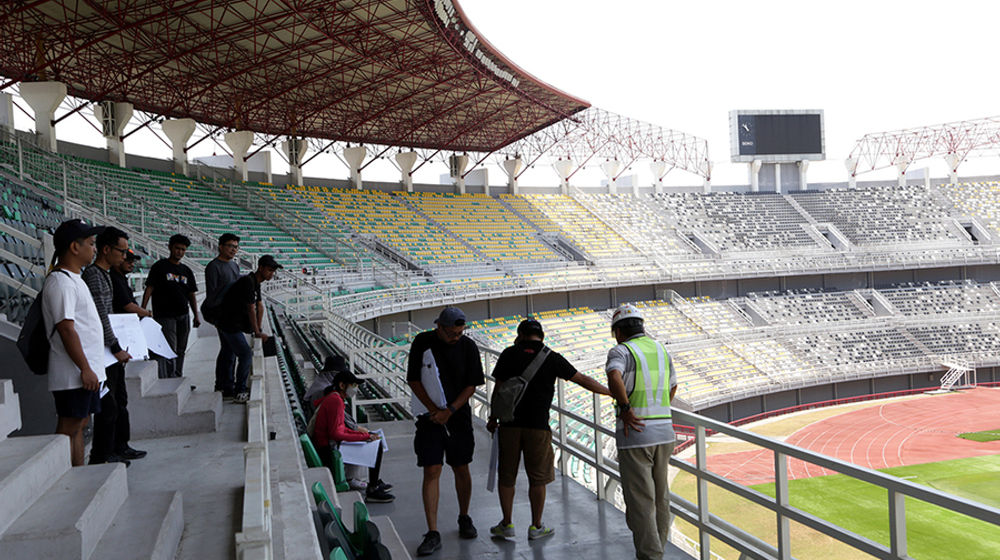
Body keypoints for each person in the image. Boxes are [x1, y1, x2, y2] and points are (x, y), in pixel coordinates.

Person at [486, 319, 610, 541]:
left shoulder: (508, 354)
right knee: (538, 478)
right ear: (541, 336)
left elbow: (499, 389)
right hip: (538, 427)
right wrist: (610, 392)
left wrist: (493, 418)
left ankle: (506, 523)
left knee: (507, 476)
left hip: (508, 425)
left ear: (520, 335)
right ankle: (536, 526)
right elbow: (582, 379)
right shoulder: (551, 357)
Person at [407, 306, 484, 557]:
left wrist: (449, 411)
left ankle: (464, 516)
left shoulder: (468, 346)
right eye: (451, 333)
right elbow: (413, 379)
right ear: (438, 327)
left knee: (461, 467)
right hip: (429, 418)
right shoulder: (422, 342)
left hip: (458, 417)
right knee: (431, 469)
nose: (456, 337)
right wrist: (434, 410)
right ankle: (432, 531)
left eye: (460, 333)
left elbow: (472, 385)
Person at [605, 304, 677, 560]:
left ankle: (650, 555)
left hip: (636, 435)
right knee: (661, 496)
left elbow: (614, 376)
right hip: (665, 433)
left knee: (640, 500)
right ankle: (659, 547)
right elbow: (673, 386)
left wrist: (626, 408)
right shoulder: (660, 350)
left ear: (618, 332)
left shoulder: (621, 351)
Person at [43, 219, 105, 467]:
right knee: (69, 427)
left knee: (80, 424)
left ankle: (78, 474)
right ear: (74, 247)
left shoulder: (74, 279)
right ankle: (61, 476)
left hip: (83, 373)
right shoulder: (61, 282)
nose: (94, 249)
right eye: (91, 243)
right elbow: (66, 329)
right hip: (74, 374)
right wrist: (85, 368)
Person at [82, 226, 138, 466]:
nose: (124, 257)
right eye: (121, 251)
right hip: (104, 352)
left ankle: (118, 446)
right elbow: (101, 316)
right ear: (106, 250)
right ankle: (103, 455)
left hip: (110, 351)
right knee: (108, 406)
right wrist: (115, 347)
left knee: (119, 400)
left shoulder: (105, 274)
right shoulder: (94, 275)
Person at [311, 370, 395, 503]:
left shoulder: (335, 398)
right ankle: (372, 489)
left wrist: (365, 435)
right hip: (328, 449)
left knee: (374, 440)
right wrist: (363, 437)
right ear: (342, 385)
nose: (355, 389)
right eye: (353, 385)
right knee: (376, 446)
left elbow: (341, 429)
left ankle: (373, 484)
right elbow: (336, 433)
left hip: (329, 444)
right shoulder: (335, 401)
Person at [215, 255, 280, 403]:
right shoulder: (247, 282)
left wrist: (258, 329)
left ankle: (225, 388)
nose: (272, 274)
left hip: (230, 323)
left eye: (273, 271)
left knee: (227, 353)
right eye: (270, 270)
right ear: (261, 268)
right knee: (245, 354)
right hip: (229, 324)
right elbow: (251, 308)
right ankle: (240, 391)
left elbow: (260, 306)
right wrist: (257, 332)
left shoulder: (255, 282)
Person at [108, 248, 150, 462]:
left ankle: (121, 446)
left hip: (120, 345)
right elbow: (127, 306)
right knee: (114, 403)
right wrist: (147, 313)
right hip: (113, 346)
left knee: (121, 400)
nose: (130, 262)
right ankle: (113, 449)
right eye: (127, 259)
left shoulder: (121, 279)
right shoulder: (113, 279)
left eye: (132, 260)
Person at [141, 234, 200, 378]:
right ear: (170, 247)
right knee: (169, 348)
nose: (180, 252)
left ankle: (178, 375)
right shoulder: (159, 267)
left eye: (183, 249)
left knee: (181, 349)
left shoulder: (186, 271)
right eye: (177, 248)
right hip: (165, 315)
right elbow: (150, 288)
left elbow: (191, 294)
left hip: (183, 315)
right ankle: (171, 378)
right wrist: (142, 309)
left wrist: (196, 315)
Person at [205, 233, 241, 398]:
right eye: (230, 246)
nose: (233, 250)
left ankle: (226, 384)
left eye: (236, 247)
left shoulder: (234, 266)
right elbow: (212, 294)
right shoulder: (213, 267)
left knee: (230, 350)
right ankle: (224, 385)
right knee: (228, 349)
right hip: (221, 315)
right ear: (220, 246)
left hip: (233, 315)